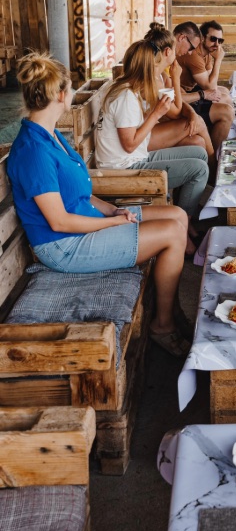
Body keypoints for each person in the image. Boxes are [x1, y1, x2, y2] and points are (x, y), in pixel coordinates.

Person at [7, 52, 192, 357]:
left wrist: (112, 210)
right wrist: (113, 222)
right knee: (171, 233)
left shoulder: (51, 136)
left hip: (84, 223)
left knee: (177, 215)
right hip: (64, 246)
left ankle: (170, 308)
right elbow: (59, 221)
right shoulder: (33, 151)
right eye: (70, 89)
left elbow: (78, 194)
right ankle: (163, 325)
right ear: (61, 95)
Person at [95, 38, 209, 255]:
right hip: (124, 168)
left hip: (134, 158)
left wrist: (155, 111)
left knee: (198, 152)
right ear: (147, 67)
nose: (159, 70)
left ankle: (185, 220)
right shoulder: (125, 96)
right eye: (157, 64)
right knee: (199, 169)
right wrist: (156, 114)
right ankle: (184, 229)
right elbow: (129, 145)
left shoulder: (130, 89)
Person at [143, 23, 216, 179]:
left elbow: (177, 100)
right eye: (191, 48)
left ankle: (205, 179)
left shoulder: (162, 72)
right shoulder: (153, 75)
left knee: (197, 142)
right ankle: (215, 173)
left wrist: (191, 113)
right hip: (141, 135)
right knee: (198, 123)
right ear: (167, 51)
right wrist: (176, 77)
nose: (190, 53)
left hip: (152, 127)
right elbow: (176, 112)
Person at [174, 20, 234, 153]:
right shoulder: (193, 55)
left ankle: (215, 134)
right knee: (227, 110)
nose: (217, 44)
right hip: (185, 96)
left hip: (189, 92)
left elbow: (211, 82)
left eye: (220, 41)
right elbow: (210, 87)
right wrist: (218, 60)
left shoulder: (206, 54)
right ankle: (215, 153)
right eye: (213, 39)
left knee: (224, 91)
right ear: (202, 38)